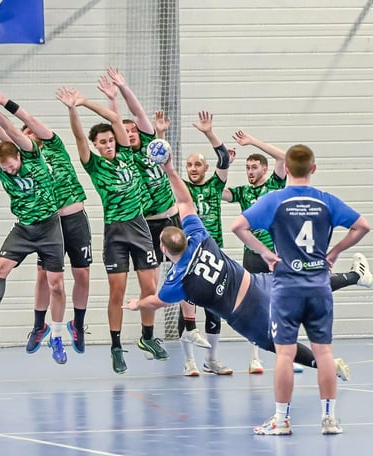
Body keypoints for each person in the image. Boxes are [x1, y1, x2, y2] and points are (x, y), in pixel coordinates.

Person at [123, 147, 367, 383]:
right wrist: (169, 170)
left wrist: (137, 304)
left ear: (164, 250)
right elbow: (185, 202)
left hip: (244, 313)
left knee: (276, 344)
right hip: (255, 284)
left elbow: (156, 302)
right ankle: (356, 276)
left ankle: (326, 364)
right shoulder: (199, 237)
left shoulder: (178, 282)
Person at [232, 144, 369, 435]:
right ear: (313, 169)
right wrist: (334, 252)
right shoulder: (326, 201)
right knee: (324, 353)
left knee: (285, 354)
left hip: (287, 289)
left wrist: (267, 254)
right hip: (319, 287)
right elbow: (362, 226)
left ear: (287, 169)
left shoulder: (274, 200)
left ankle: (282, 420)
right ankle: (329, 419)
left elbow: (238, 226)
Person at [56, 84, 166, 374]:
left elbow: (117, 119)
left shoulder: (127, 155)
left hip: (139, 227)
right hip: (115, 233)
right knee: (117, 291)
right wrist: (73, 109)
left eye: (110, 140)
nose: (108, 144)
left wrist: (86, 101)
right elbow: (79, 137)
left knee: (150, 287)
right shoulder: (94, 165)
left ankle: (147, 337)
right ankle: (116, 346)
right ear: (96, 146)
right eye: (102, 142)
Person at [0, 89, 92, 356]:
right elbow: (4, 133)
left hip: (74, 219)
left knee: (82, 274)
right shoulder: (26, 160)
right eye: (25, 134)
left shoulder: (54, 145)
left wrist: (2, 102)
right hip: (49, 224)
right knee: (46, 278)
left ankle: (77, 324)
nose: (30, 134)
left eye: (33, 132)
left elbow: (26, 120)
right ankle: (39, 326)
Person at [0, 91, 68, 364]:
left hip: (49, 227)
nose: (10, 171)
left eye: (12, 166)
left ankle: (56, 337)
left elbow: (8, 130)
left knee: (55, 285)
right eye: (5, 169)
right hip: (23, 229)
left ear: (19, 157)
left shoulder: (32, 156)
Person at [106, 68, 207, 353]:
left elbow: (138, 113)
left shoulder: (152, 146)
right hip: (146, 224)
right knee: (150, 282)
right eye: (124, 133)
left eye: (132, 131)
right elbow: (115, 121)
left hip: (171, 217)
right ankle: (147, 335)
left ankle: (190, 328)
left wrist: (123, 88)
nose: (130, 134)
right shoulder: (124, 158)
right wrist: (112, 102)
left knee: (186, 268)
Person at [167, 110, 234, 376]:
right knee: (187, 305)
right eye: (190, 165)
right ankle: (189, 361)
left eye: (198, 165)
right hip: (187, 254)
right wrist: (160, 134)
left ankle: (212, 360)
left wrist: (209, 132)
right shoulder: (182, 188)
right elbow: (162, 170)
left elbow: (224, 158)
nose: (193, 169)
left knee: (214, 306)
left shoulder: (215, 186)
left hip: (213, 253)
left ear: (206, 168)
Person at [222, 132, 287, 374]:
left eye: (254, 167)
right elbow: (218, 191)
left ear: (264, 169)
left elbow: (283, 157)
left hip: (275, 253)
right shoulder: (242, 192)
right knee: (254, 304)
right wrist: (225, 164)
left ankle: (287, 353)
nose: (250, 171)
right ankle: (255, 358)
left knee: (282, 302)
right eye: (247, 168)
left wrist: (252, 142)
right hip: (251, 254)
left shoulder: (274, 186)